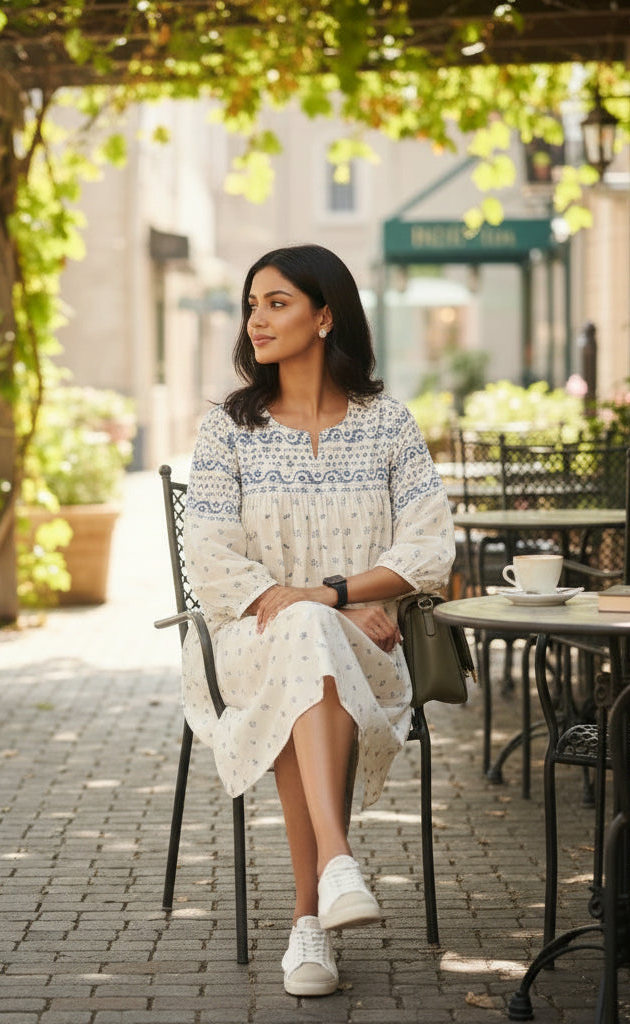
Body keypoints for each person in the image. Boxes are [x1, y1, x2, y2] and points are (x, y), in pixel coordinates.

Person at [181, 244, 455, 997]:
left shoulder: (388, 424)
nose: (256, 320)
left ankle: (311, 920)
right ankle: (332, 873)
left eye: (277, 303)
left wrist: (329, 597)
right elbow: (208, 554)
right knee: (302, 638)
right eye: (251, 304)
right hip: (250, 642)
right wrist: (322, 605)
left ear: (325, 315)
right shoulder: (227, 431)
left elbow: (430, 551)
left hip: (371, 644)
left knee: (311, 635)